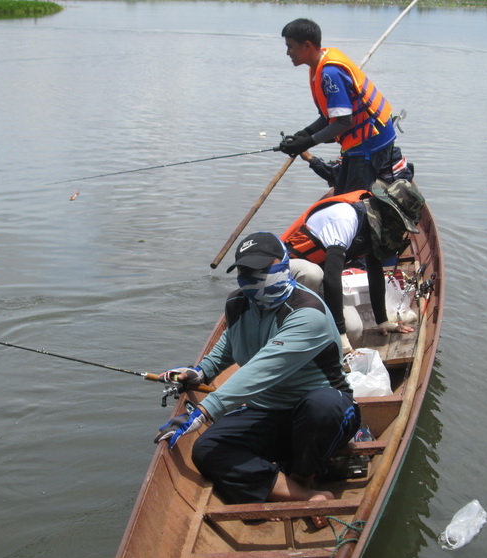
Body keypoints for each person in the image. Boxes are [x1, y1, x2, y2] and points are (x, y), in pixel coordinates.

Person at [154, 232, 360, 526]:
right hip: (268, 411)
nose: (251, 278)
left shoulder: (307, 312)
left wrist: (203, 411)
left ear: (284, 264)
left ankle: (303, 474)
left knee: (321, 406)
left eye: (261, 269)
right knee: (206, 449)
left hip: (323, 416)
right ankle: (307, 496)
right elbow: (231, 343)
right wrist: (199, 372)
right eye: (245, 270)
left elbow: (261, 369)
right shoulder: (238, 303)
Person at [281, 178, 425, 354]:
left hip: (318, 279)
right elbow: (332, 277)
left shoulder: (375, 224)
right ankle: (291, 333)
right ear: (390, 212)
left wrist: (382, 320)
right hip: (285, 273)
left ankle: (319, 348)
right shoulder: (346, 217)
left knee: (354, 329)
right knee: (312, 274)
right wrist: (340, 334)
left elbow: (375, 271)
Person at [279, 18, 411, 194]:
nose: (288, 52)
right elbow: (330, 116)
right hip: (360, 142)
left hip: (371, 142)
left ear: (307, 46)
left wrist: (307, 143)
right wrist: (304, 134)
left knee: (353, 199)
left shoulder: (330, 74)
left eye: (290, 46)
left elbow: (343, 122)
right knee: (341, 191)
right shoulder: (319, 67)